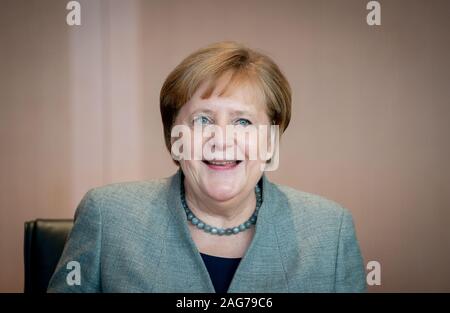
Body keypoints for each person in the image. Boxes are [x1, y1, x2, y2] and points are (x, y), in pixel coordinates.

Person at [48, 41, 366, 293]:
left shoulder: (329, 231)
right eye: (203, 120)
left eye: (243, 121)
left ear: (270, 140)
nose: (222, 140)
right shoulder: (108, 217)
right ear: (174, 136)